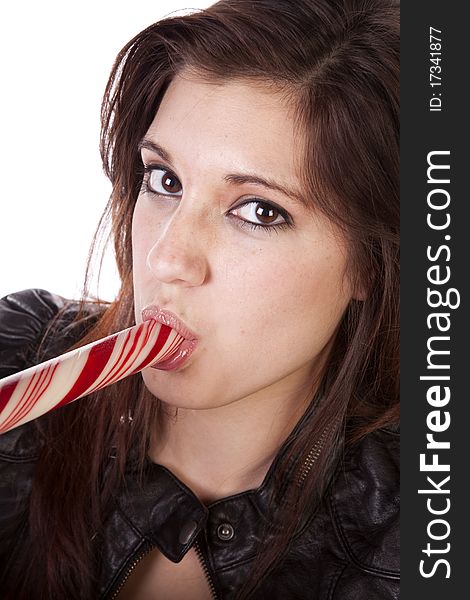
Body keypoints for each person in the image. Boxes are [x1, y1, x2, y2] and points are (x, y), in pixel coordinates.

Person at [0, 0, 399, 598]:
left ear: (371, 263)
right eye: (165, 180)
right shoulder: (22, 357)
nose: (166, 258)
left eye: (260, 211)